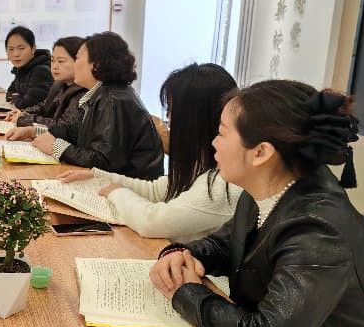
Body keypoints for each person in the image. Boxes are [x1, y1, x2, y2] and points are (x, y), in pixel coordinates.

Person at [150, 80, 364, 327]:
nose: (213, 142)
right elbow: (227, 244)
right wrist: (183, 254)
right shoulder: (270, 189)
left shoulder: (318, 228)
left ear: (261, 152)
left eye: (222, 133)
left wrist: (186, 292)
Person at [57, 63, 242, 242]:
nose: (168, 120)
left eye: (172, 112)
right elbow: (155, 190)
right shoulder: (202, 162)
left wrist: (116, 192)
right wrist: (97, 177)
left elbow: (153, 222)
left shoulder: (223, 183)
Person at [9, 31, 164, 178]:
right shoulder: (101, 93)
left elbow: (104, 162)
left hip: (127, 189)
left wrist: (57, 147)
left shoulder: (114, 100)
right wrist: (33, 131)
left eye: (77, 58)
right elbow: (72, 132)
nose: (74, 65)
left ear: (96, 65)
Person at [5, 36, 86, 128]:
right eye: (53, 60)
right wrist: (23, 113)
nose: (54, 66)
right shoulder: (59, 84)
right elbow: (44, 106)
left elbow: (63, 126)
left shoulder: (82, 92)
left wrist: (25, 119)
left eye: (61, 61)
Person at [4, 26, 53, 109]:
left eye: (21, 48)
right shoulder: (22, 68)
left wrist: (16, 98)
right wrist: (18, 97)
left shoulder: (41, 70)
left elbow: (28, 105)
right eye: (11, 49)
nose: (16, 54)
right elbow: (9, 93)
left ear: (33, 49)